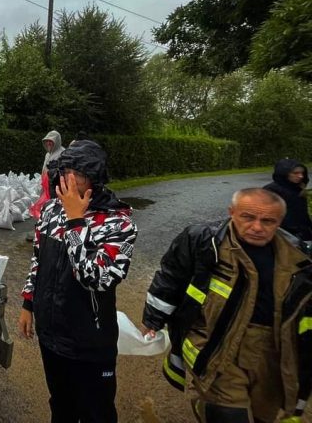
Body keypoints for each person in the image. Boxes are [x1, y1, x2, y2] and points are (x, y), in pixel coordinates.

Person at [141, 188, 312, 423]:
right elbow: (171, 276)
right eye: (248, 217)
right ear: (232, 212)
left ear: (280, 221)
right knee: (228, 415)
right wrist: (154, 319)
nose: (257, 227)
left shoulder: (300, 258)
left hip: (272, 352)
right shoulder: (203, 241)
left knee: (265, 414)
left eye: (268, 221)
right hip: (217, 345)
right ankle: (210, 407)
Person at [18, 140, 137, 423]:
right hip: (51, 336)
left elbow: (95, 278)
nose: (67, 179)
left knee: (97, 412)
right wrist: (27, 303)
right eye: (64, 171)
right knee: (61, 404)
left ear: (94, 179)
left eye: (77, 173)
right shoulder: (49, 212)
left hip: (89, 343)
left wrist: (75, 221)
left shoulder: (118, 224)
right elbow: (38, 259)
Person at [264, 158, 312, 243]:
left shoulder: (297, 188)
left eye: (302, 173)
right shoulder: (271, 190)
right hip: (284, 235)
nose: (301, 176)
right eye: (295, 173)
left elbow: (301, 213)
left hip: (302, 233)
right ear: (284, 174)